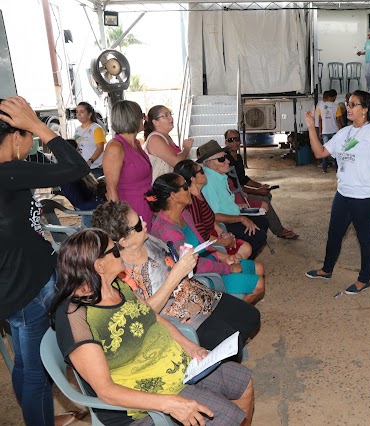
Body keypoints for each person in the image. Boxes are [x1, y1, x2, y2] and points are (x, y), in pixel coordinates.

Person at [50, 229, 254, 425]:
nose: (119, 252)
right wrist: (169, 403)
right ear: (99, 266)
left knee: (244, 383)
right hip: (143, 398)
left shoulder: (117, 285)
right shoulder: (75, 316)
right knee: (225, 416)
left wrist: (191, 347)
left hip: (179, 366)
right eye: (114, 250)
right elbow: (105, 390)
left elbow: (153, 317)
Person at [0, 96, 90, 426]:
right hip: (30, 288)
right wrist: (39, 125)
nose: (31, 143)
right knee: (39, 371)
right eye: (28, 137)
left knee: (25, 363)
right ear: (15, 136)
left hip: (12, 288)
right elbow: (77, 168)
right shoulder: (8, 172)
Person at [92, 201, 260, 351]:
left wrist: (183, 259)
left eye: (141, 218)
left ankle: (227, 357)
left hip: (198, 294)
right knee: (230, 341)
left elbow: (172, 260)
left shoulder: (149, 240)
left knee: (251, 317)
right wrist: (177, 272)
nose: (144, 223)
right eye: (137, 225)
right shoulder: (120, 273)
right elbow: (145, 314)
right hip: (179, 319)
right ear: (123, 241)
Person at [303, 90, 370, 294]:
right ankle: (326, 270)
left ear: (365, 109)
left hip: (366, 197)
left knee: (364, 238)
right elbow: (320, 153)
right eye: (348, 104)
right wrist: (310, 128)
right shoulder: (344, 133)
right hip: (343, 194)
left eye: (353, 104)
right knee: (334, 234)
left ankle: (364, 279)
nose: (348, 108)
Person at [147, 173, 266, 305]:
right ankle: (234, 316)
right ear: (173, 196)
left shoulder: (184, 213)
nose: (190, 188)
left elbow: (201, 243)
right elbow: (192, 265)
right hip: (202, 277)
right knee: (259, 285)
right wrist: (227, 268)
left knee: (259, 268)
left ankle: (235, 311)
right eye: (185, 186)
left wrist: (223, 257)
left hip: (210, 263)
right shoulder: (167, 231)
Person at [197, 141, 269, 256]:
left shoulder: (219, 176)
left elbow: (224, 203)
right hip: (224, 223)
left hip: (233, 214)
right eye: (221, 159)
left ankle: (243, 256)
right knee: (258, 236)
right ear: (209, 163)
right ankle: (237, 260)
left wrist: (238, 207)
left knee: (263, 222)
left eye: (225, 157)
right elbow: (214, 216)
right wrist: (241, 219)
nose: (228, 161)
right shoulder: (208, 182)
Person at [224, 129, 298, 239]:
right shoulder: (225, 160)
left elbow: (243, 179)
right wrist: (258, 191)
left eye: (237, 139)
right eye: (230, 140)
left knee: (267, 194)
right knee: (265, 199)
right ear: (225, 142)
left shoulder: (238, 157)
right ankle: (279, 230)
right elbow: (236, 187)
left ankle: (261, 221)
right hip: (233, 194)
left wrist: (260, 185)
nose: (234, 142)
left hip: (240, 191)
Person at [174, 159, 253, 260]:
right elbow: (201, 235)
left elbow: (210, 216)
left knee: (246, 247)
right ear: (193, 178)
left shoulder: (199, 193)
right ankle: (231, 267)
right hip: (206, 242)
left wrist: (222, 232)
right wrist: (225, 242)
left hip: (213, 234)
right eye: (202, 171)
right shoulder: (192, 201)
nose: (205, 173)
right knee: (245, 248)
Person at [103, 100, 154, 229]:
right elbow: (111, 188)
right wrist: (120, 220)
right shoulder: (115, 147)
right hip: (130, 210)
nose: (144, 119)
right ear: (133, 118)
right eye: (141, 115)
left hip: (146, 206)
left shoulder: (135, 143)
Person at [143, 105, 193, 181]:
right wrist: (186, 148)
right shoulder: (155, 139)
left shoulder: (166, 137)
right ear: (155, 122)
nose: (171, 118)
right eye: (166, 115)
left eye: (170, 114)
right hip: (163, 188)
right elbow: (176, 162)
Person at [73, 102, 106, 179]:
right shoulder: (78, 129)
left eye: (82, 112)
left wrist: (90, 161)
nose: (78, 114)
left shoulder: (97, 128)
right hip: (82, 167)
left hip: (95, 168)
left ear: (89, 114)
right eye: (77, 112)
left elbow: (100, 148)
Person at [317, 90, 343, 173]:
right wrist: (341, 130)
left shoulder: (321, 106)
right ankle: (337, 168)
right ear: (333, 97)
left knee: (325, 150)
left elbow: (320, 120)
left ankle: (324, 168)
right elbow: (339, 120)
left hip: (325, 131)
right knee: (336, 150)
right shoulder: (336, 107)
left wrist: (320, 131)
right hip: (335, 131)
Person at [356, 29, 370, 93]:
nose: (368, 35)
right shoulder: (367, 42)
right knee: (367, 75)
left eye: (369, 34)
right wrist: (360, 53)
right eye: (368, 34)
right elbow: (365, 51)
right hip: (368, 60)